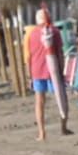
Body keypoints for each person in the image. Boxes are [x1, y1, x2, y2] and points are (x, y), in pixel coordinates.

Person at [27, 8, 71, 141]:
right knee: (61, 98)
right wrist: (62, 70)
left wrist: (29, 74)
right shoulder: (55, 32)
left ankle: (42, 132)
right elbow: (60, 53)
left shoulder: (32, 34)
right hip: (53, 70)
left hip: (37, 70)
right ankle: (63, 128)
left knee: (39, 101)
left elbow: (29, 56)